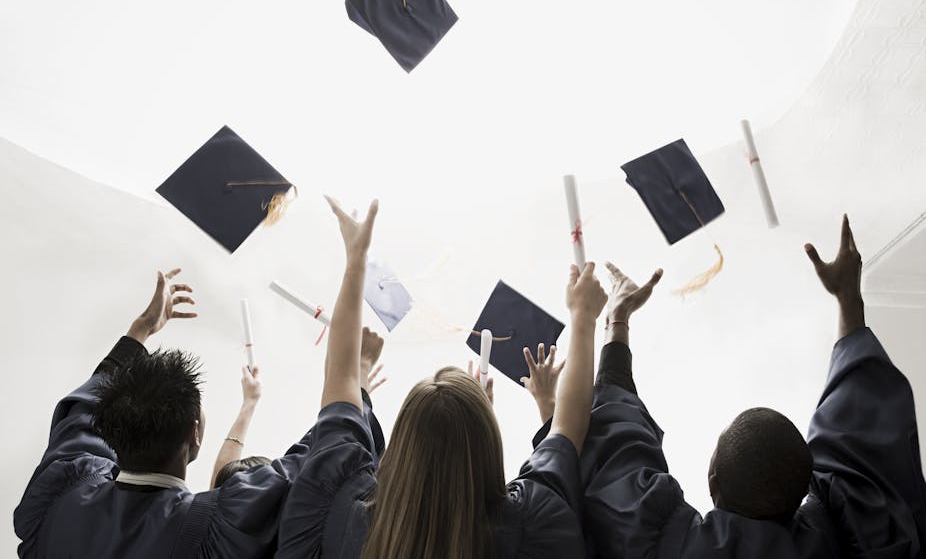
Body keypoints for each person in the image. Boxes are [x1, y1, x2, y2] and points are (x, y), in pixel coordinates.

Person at [534, 214, 926, 557]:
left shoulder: (663, 548)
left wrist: (616, 318)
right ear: (809, 483)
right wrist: (848, 300)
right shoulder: (873, 533)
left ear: (712, 483)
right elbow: (861, 430)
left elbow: (615, 453)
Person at [275, 196, 608, 558]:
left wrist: (356, 258)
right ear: (486, 442)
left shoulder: (338, 516)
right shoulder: (532, 524)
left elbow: (339, 391)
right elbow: (566, 433)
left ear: (402, 444)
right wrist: (585, 319)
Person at [14, 268, 386, 558]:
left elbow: (83, 413)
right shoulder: (222, 524)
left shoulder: (61, 495)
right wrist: (357, 377)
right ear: (195, 434)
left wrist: (140, 330)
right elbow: (321, 466)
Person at [211, 350, 386, 489]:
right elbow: (325, 447)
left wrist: (249, 402)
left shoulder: (208, 525)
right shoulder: (295, 526)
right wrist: (354, 399)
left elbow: (219, 487)